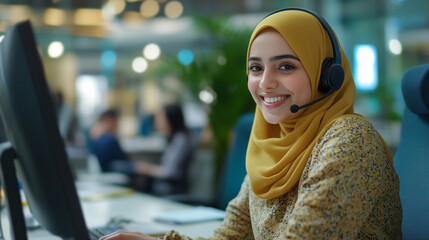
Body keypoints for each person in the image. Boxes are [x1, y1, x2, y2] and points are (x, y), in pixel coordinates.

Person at [100, 8, 402, 240]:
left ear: (327, 76)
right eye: (256, 68)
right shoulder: (271, 143)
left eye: (286, 66)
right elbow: (230, 236)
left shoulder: (349, 140)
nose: (265, 83)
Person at [90, 104, 194, 196]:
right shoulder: (176, 139)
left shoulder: (181, 140)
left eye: (160, 118)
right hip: (163, 186)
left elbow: (171, 172)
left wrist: (148, 169)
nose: (156, 121)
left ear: (171, 119)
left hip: (169, 188)